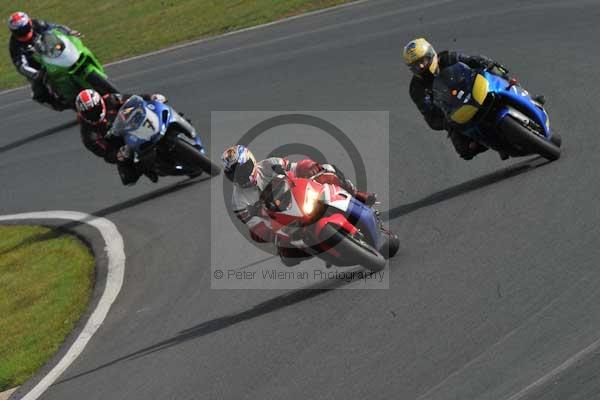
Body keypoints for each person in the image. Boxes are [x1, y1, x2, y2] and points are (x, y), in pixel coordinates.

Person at [221, 145, 393, 266]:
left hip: (299, 197)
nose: (242, 176)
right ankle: (322, 250)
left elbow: (297, 168)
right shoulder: (238, 202)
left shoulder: (268, 164)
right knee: (288, 257)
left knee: (328, 170)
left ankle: (355, 195)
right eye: (235, 174)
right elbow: (255, 228)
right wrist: (271, 236)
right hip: (282, 223)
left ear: (252, 161)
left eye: (244, 169)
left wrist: (311, 167)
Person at [403, 38, 543, 160]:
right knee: (465, 150)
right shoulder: (416, 88)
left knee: (497, 72)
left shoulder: (448, 57)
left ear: (431, 54)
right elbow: (429, 115)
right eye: (415, 65)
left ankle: (527, 96)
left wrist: (488, 64)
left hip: (475, 91)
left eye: (423, 61)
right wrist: (445, 121)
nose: (421, 66)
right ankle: (494, 144)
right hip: (456, 112)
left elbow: (471, 60)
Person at [74, 89, 167, 184]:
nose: (92, 113)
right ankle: (150, 169)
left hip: (135, 123)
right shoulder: (88, 133)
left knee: (157, 109)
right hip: (122, 145)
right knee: (128, 178)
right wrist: (117, 155)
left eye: (94, 109)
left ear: (100, 102)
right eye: (88, 112)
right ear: (82, 114)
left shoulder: (110, 99)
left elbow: (132, 99)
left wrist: (150, 97)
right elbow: (105, 152)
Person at [8, 11, 81, 110]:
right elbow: (21, 66)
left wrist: (69, 32)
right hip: (37, 68)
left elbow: (55, 27)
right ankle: (56, 103)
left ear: (29, 23)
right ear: (13, 32)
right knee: (38, 91)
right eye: (19, 32)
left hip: (51, 52)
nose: (24, 33)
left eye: (25, 29)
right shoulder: (14, 45)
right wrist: (36, 74)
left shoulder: (37, 24)